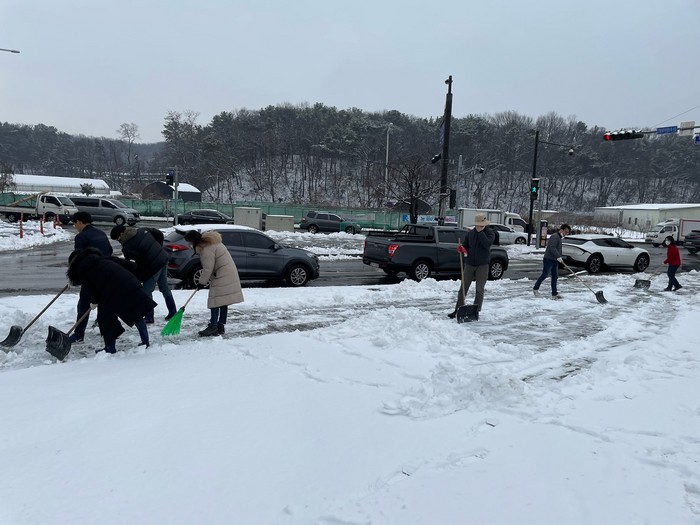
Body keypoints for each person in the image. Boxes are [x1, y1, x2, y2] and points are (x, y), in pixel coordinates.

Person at [67, 247, 156, 353]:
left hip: (112, 292)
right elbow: (128, 265)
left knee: (105, 319)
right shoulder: (102, 258)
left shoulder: (84, 270)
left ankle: (110, 348)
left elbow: (92, 289)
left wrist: (94, 301)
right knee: (136, 313)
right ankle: (145, 342)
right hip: (129, 283)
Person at [184, 229, 244, 337]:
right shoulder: (211, 241)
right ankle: (220, 326)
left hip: (222, 274)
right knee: (223, 300)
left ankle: (213, 326)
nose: (189, 245)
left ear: (193, 241)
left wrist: (201, 283)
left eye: (189, 242)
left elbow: (208, 269)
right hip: (228, 272)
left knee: (214, 300)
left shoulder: (206, 249)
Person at [111, 225, 177, 323]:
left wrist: (136, 279)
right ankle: (173, 312)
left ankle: (149, 317)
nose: (118, 241)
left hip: (153, 267)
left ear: (121, 234)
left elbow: (133, 266)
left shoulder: (128, 247)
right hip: (163, 258)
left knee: (146, 291)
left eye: (117, 239)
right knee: (164, 287)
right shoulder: (142, 230)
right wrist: (158, 248)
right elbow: (159, 234)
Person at [70, 211, 113, 344]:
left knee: (84, 304)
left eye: (74, 224)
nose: (75, 227)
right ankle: (109, 333)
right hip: (107, 272)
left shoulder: (81, 237)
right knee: (104, 304)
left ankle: (78, 335)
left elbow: (78, 259)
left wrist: (74, 276)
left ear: (79, 222)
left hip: (91, 275)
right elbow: (110, 251)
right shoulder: (101, 233)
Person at [448, 213, 496, 318]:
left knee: (479, 289)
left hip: (482, 265)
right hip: (469, 264)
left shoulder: (490, 233)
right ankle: (458, 309)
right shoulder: (470, 233)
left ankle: (476, 311)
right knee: (463, 288)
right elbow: (466, 244)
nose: (477, 226)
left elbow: (487, 244)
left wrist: (480, 233)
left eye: (480, 225)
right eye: (477, 225)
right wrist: (462, 248)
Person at [533, 224, 571, 299]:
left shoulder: (559, 238)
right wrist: (558, 256)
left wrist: (559, 257)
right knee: (544, 275)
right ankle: (535, 288)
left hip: (555, 260)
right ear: (561, 230)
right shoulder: (554, 236)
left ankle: (554, 293)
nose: (566, 233)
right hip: (549, 259)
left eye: (567, 232)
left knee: (555, 276)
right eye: (565, 232)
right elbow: (552, 248)